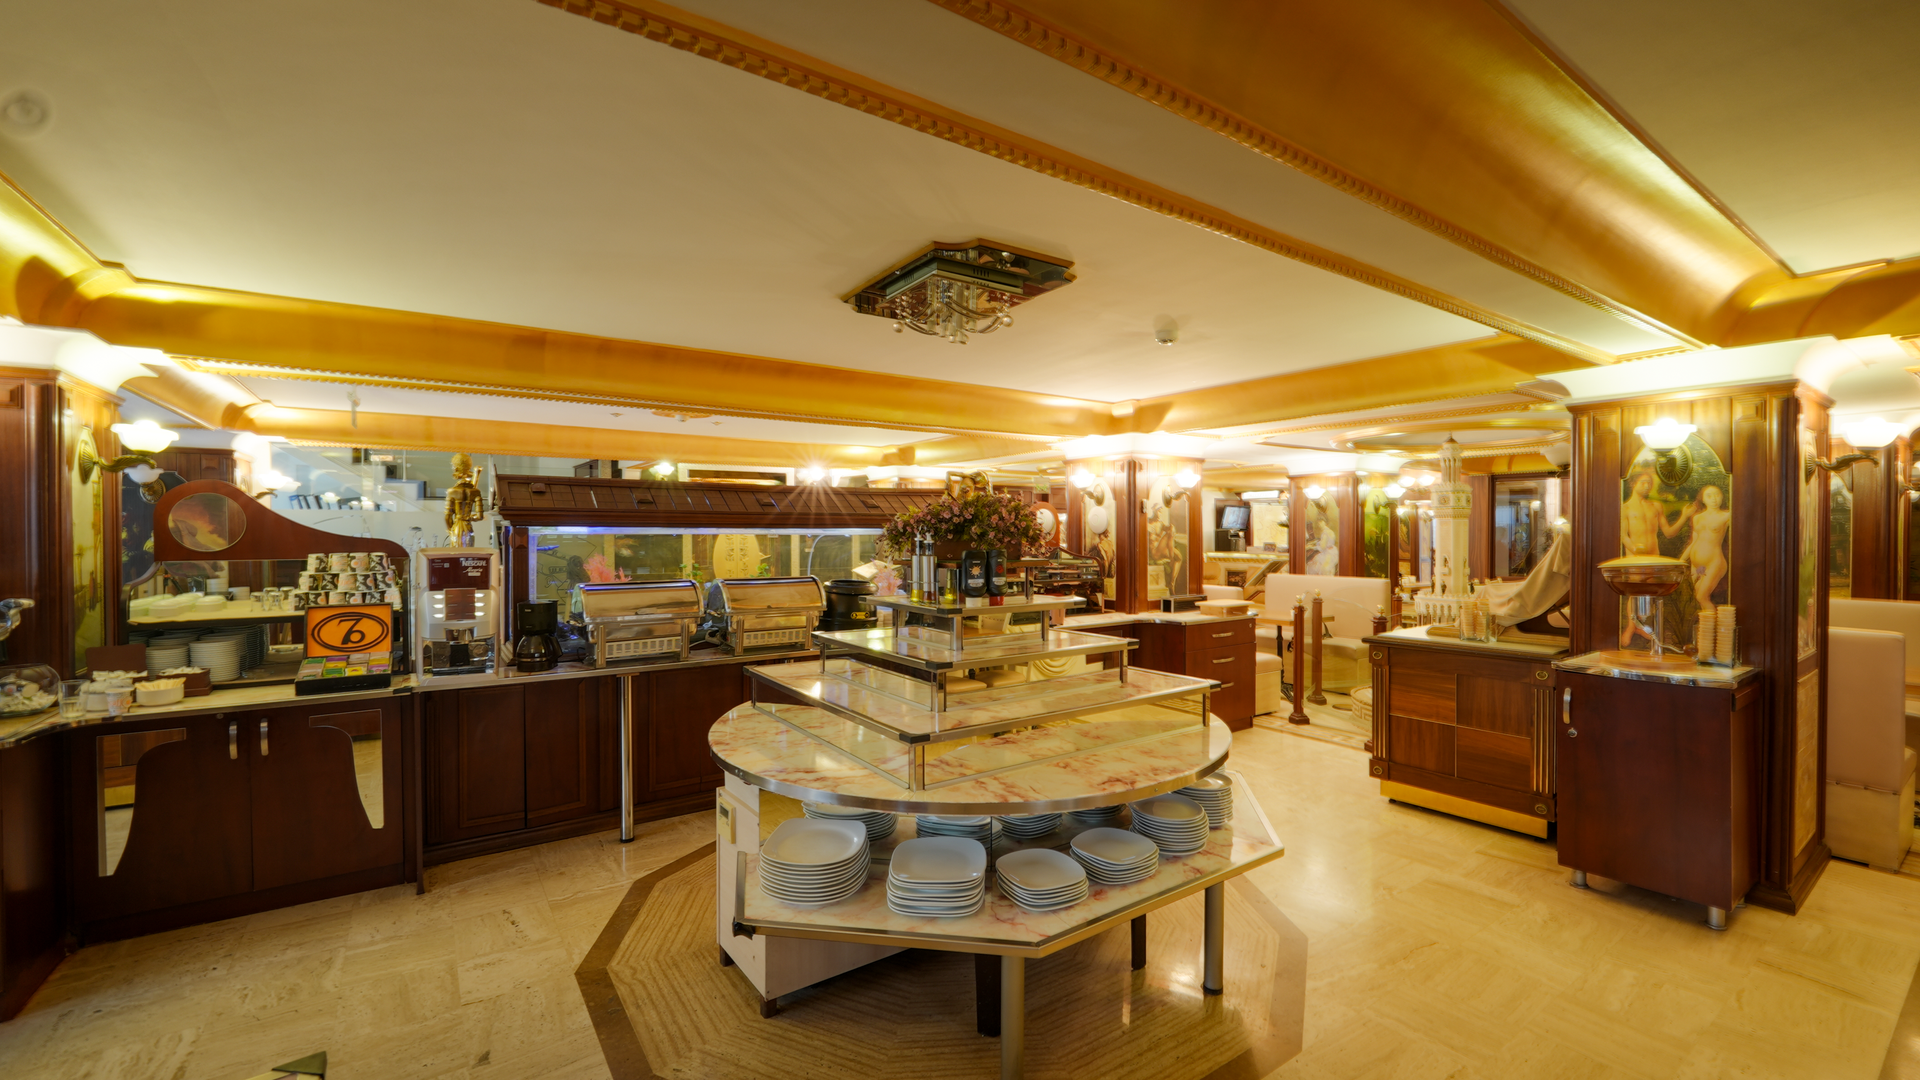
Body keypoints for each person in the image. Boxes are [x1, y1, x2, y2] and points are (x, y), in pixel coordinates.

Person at [1678, 485, 1730, 607]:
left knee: (1702, 597)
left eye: (1717, 495)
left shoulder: (1727, 516)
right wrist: (1681, 560)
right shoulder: (1697, 518)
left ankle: (1714, 626)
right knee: (1699, 596)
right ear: (1703, 499)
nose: (1714, 499)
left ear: (1722, 497)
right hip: (1697, 566)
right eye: (1709, 496)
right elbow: (1694, 542)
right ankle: (1706, 625)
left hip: (1714, 562)